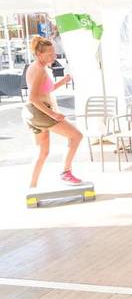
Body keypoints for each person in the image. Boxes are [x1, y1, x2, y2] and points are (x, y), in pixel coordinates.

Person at [23, 36, 83, 188]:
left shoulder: (35, 67)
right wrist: (53, 114)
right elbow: (33, 98)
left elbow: (45, 90)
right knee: (76, 136)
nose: (54, 56)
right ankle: (66, 172)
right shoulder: (40, 70)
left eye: (54, 52)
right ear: (39, 54)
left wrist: (63, 81)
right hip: (39, 112)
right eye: (49, 54)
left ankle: (32, 186)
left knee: (42, 152)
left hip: (31, 113)